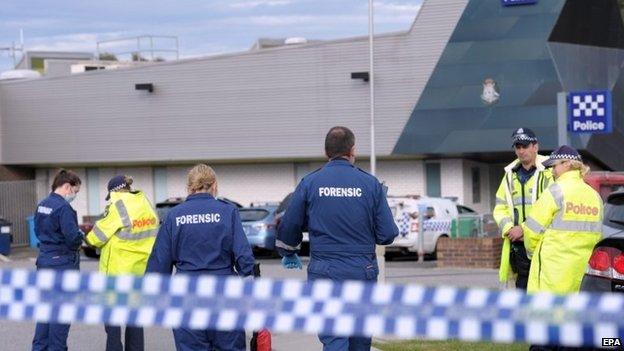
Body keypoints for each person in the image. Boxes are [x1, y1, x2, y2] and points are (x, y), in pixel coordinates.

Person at [277, 126, 399, 351]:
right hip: (362, 269)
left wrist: (289, 252)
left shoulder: (310, 183)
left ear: (326, 153)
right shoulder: (371, 185)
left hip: (325, 270)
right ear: (352, 151)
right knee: (360, 338)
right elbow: (387, 234)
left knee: (334, 338)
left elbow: (289, 226)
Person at [146, 164, 255, 351]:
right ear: (214, 186)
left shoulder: (174, 216)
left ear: (189, 188)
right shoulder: (227, 212)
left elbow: (160, 261)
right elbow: (243, 255)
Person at [84, 175, 159, 351]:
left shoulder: (117, 205)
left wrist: (86, 238)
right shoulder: (145, 203)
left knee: (112, 324)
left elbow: (97, 237)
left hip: (117, 275)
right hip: (139, 272)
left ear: (114, 191)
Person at [522, 145, 603, 294]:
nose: (552, 171)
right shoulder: (594, 196)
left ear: (567, 164)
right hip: (582, 271)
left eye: (554, 166)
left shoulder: (556, 190)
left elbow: (531, 230)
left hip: (553, 271)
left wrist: (534, 253)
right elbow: (598, 236)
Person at [493, 128, 553, 290]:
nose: (521, 151)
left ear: (535, 147)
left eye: (525, 146)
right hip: (518, 247)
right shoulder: (509, 175)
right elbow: (500, 207)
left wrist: (524, 229)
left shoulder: (549, 172)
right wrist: (509, 229)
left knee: (542, 288)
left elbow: (552, 210)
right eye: (517, 147)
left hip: (543, 243)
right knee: (521, 289)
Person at [32, 169, 84, 351]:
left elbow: (38, 231)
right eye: (75, 191)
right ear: (67, 187)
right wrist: (80, 236)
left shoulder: (42, 205)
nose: (75, 195)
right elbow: (72, 237)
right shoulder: (63, 208)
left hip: (45, 261)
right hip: (62, 265)